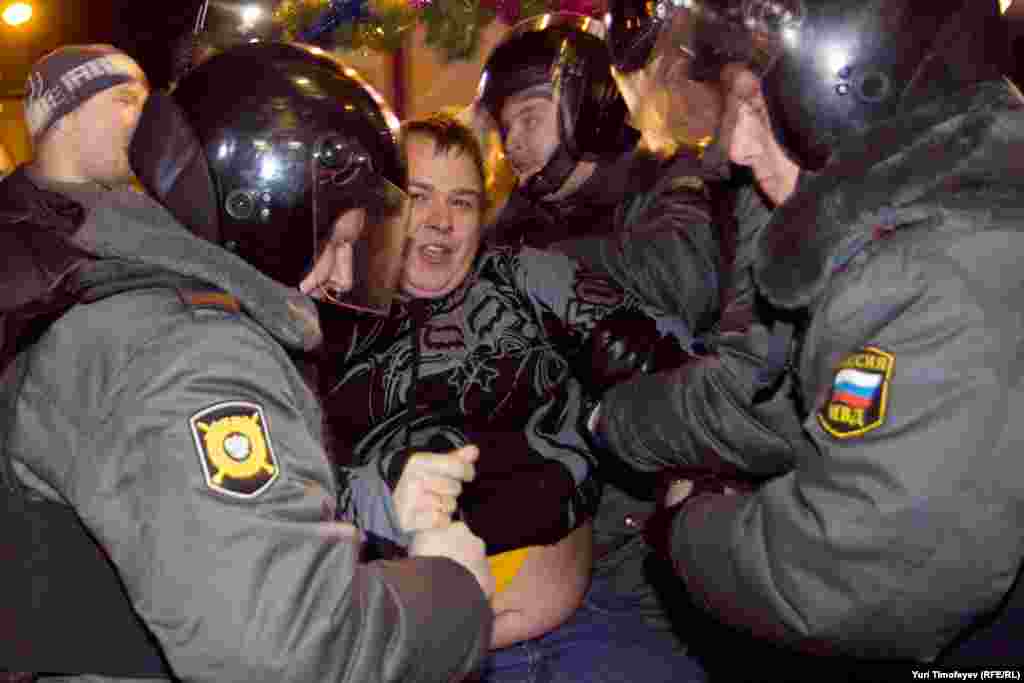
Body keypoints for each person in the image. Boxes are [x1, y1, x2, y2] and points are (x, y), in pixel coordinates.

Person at [2, 41, 496, 680]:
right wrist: (451, 589)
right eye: (338, 241)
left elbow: (176, 518)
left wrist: (370, 509)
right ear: (271, 213)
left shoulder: (120, 290)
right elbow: (286, 650)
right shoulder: (187, 349)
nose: (344, 276)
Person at [590, 0, 1024, 671]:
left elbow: (859, 577)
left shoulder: (939, 277)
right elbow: (788, 405)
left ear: (855, 87)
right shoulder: (909, 233)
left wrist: (687, 525)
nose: (738, 147)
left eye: (754, 108)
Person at [315, 113, 705, 682]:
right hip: (404, 657)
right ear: (382, 205)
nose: (442, 221)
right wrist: (375, 495)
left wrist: (683, 470)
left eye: (463, 202)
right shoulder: (326, 325)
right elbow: (289, 496)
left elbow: (691, 376)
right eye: (420, 197)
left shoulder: (528, 280)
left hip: (584, 635)